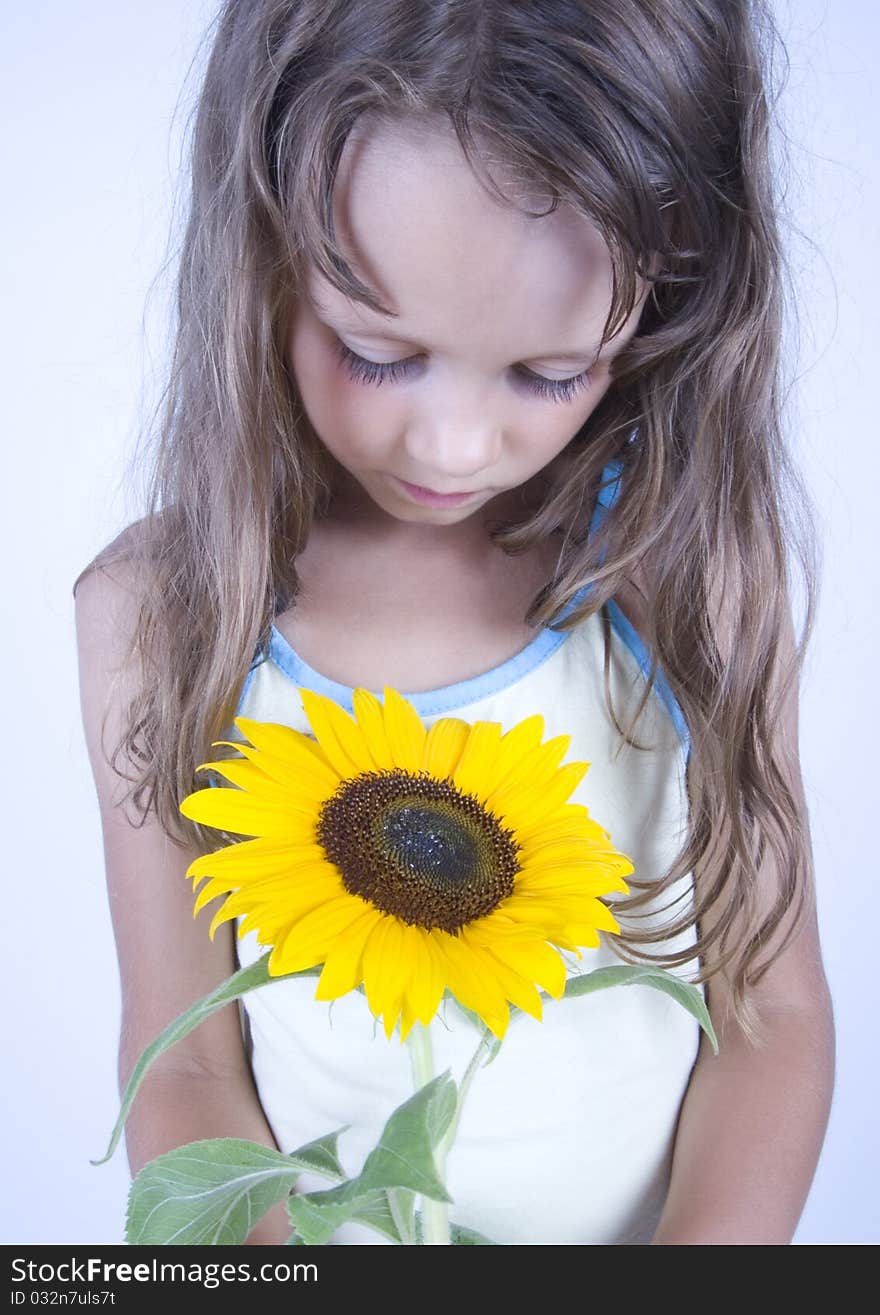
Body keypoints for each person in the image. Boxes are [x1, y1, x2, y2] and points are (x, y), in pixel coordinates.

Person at [73, 0, 834, 1246]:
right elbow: (186, 1065)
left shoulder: (681, 572)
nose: (452, 445)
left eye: (548, 374)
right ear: (260, 254)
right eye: (377, 351)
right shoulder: (161, 615)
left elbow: (771, 1017)